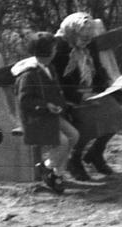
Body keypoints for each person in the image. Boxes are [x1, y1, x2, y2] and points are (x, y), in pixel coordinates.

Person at [52, 11, 122, 179]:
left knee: (116, 112)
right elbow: (60, 83)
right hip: (70, 98)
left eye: (89, 38)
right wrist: (81, 97)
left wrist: (110, 88)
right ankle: (75, 159)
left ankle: (96, 153)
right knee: (88, 120)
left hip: (91, 92)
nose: (87, 41)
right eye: (83, 37)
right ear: (72, 34)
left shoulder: (88, 45)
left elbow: (98, 69)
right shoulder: (59, 50)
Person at [15, 32, 79, 195]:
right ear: (46, 52)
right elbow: (25, 101)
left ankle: (56, 173)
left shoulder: (49, 67)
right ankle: (49, 169)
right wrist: (45, 106)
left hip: (50, 115)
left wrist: (59, 105)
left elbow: (55, 92)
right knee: (63, 141)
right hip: (35, 119)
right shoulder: (29, 74)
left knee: (73, 135)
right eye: (53, 48)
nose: (55, 50)